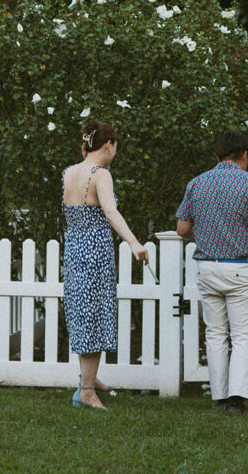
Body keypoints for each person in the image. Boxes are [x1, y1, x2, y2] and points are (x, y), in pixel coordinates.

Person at [176, 129, 248, 416]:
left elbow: (181, 229)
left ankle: (219, 396)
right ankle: (236, 398)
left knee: (215, 334)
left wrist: (206, 230)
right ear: (244, 154)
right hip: (239, 267)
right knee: (242, 335)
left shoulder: (197, 183)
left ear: (217, 155)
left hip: (207, 267)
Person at [62, 119, 148, 410]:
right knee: (94, 317)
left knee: (82, 314)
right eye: (116, 145)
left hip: (74, 250)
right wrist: (134, 242)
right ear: (109, 144)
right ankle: (86, 391)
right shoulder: (101, 174)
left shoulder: (69, 172)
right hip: (95, 252)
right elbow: (110, 211)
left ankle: (89, 378)